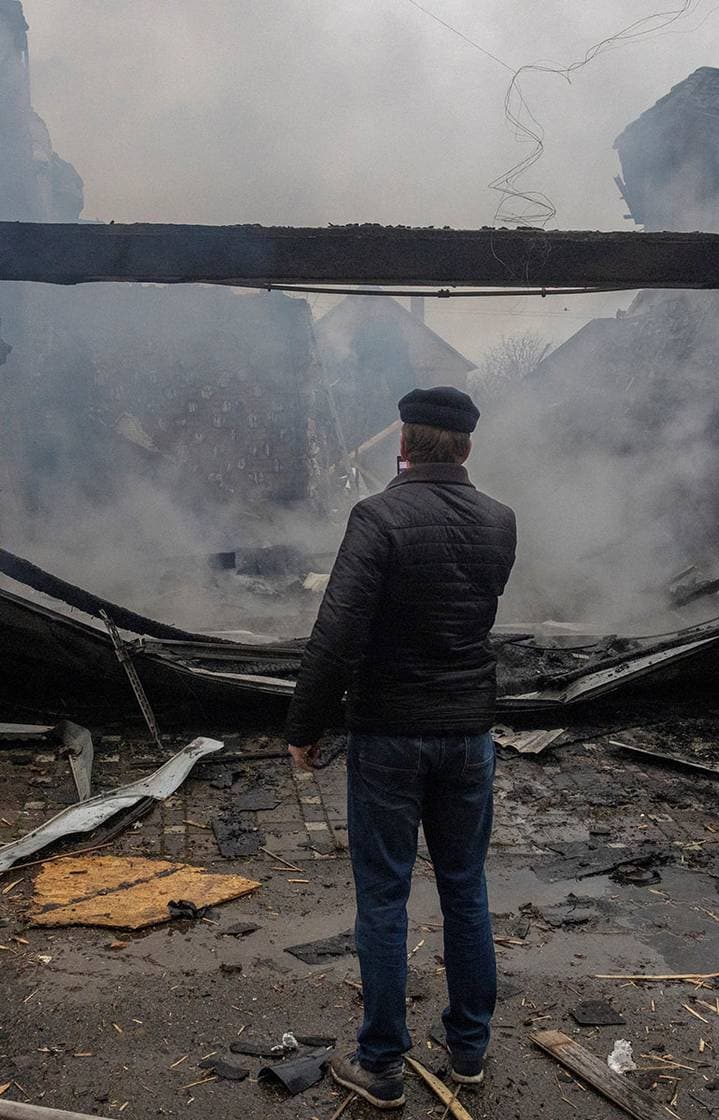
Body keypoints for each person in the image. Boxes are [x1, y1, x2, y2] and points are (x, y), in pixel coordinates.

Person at [283, 385, 518, 1109]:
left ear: (403, 447)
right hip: (468, 736)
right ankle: (470, 1052)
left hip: (388, 735)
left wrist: (305, 726)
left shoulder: (378, 516)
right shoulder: (500, 521)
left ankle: (381, 1063)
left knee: (384, 896)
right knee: (465, 887)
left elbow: (337, 633)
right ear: (468, 449)